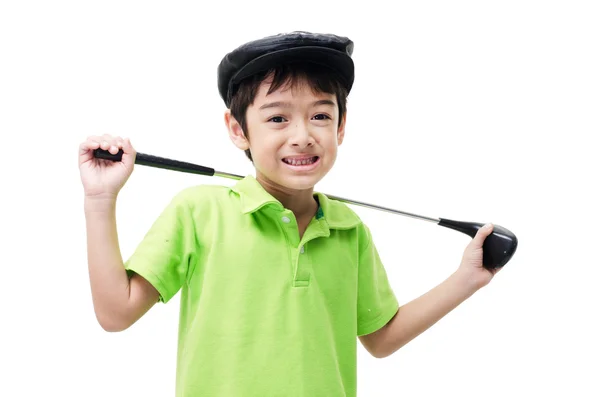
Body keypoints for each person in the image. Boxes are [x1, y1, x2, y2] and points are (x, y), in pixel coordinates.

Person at [78, 31, 500, 397]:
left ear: (341, 126)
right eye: (277, 118)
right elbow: (116, 313)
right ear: (237, 129)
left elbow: (381, 337)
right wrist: (100, 200)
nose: (302, 136)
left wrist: (466, 279)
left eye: (320, 115)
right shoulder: (198, 211)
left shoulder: (349, 230)